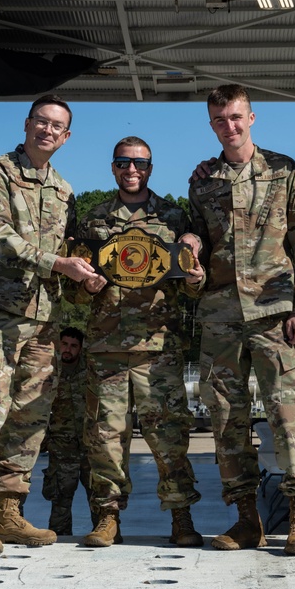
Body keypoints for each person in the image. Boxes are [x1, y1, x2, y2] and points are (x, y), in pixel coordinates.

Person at [185, 85, 295, 556]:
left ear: (252, 117)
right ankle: (246, 520)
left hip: (274, 313)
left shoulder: (284, 172)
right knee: (225, 421)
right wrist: (193, 260)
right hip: (221, 315)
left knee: (287, 417)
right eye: (220, 119)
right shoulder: (202, 181)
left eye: (237, 117)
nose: (230, 126)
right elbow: (198, 239)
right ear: (212, 124)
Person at [0, 94, 101, 555]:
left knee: (30, 418)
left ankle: (7, 511)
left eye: (56, 126)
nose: (47, 130)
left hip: (45, 323)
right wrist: (57, 263)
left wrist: (88, 274)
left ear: (66, 137)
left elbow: (71, 247)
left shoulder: (63, 190)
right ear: (26, 124)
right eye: (40, 121)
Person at [68, 135, 204, 548]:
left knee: (170, 438)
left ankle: (181, 516)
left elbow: (190, 285)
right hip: (106, 348)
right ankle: (108, 517)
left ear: (150, 167)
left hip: (157, 347)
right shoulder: (93, 221)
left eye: (140, 163)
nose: (132, 170)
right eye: (123, 162)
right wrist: (87, 286)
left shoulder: (173, 219)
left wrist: (196, 280)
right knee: (105, 438)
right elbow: (73, 291)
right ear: (113, 167)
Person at [41, 326, 94, 535]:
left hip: (90, 446)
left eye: (73, 346)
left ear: (80, 349)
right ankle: (59, 541)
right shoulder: (48, 371)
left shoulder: (90, 370)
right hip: (61, 448)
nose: (68, 349)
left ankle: (105, 535)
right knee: (60, 500)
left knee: (99, 497)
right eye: (64, 344)